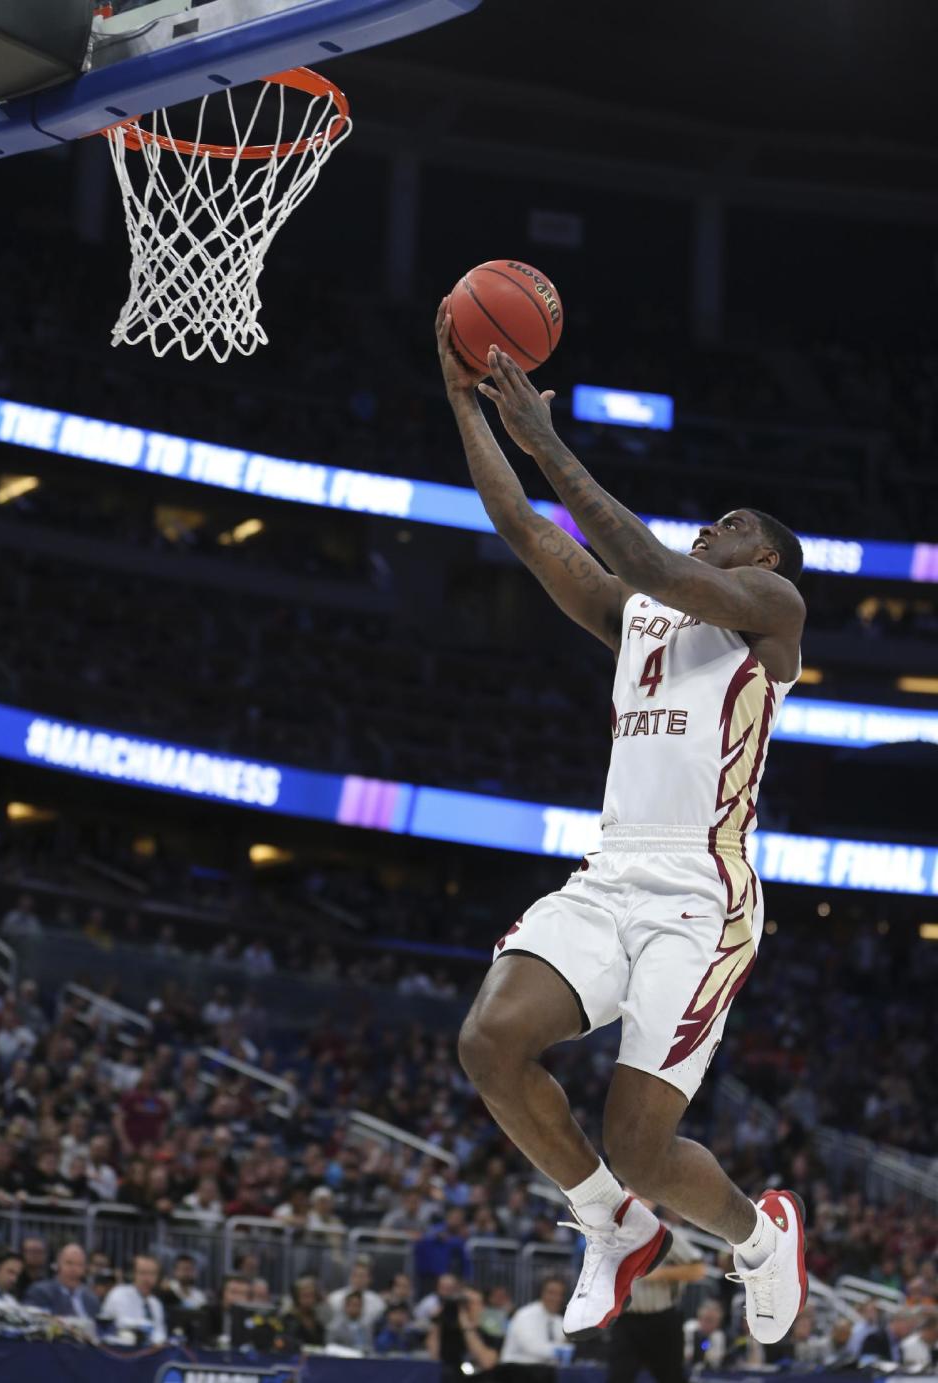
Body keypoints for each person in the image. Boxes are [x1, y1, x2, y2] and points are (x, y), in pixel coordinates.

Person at [436, 302, 808, 1348]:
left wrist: (548, 438)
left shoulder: (771, 621)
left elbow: (650, 562)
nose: (714, 530)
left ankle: (756, 1237)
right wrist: (463, 395)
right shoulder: (641, 617)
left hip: (703, 892)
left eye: (735, 526)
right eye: (713, 523)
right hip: (612, 874)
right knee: (490, 1043)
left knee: (643, 1142)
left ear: (769, 563)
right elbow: (520, 525)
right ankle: (612, 1224)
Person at [608, 1218, 707, 1383]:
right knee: (617, 1378)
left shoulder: (664, 1232)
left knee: (671, 1378)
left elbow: (698, 1270)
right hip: (625, 1319)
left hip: (662, 1320)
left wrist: (660, 1274)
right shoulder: (609, 1233)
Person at [428, 1285, 501, 1381]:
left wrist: (466, 1326)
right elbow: (434, 1356)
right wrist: (437, 1321)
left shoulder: (491, 1330)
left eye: (470, 1302)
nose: (465, 1307)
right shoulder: (450, 1330)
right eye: (463, 1303)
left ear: (482, 1306)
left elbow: (487, 1363)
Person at [100, 1254, 167, 1344]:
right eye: (143, 1273)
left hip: (150, 1353)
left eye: (152, 1273)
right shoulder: (119, 1294)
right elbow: (123, 1327)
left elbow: (160, 1334)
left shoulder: (156, 1303)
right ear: (133, 1274)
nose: (147, 1279)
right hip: (121, 1352)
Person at [24, 1242, 100, 1320]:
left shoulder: (91, 1299)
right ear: (58, 1265)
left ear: (85, 1269)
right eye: (69, 1263)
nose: (74, 1269)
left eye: (79, 1265)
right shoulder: (40, 1292)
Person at [500, 1276, 567, 1364]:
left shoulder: (560, 1321)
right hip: (515, 1371)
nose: (556, 1298)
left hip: (544, 1372)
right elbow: (532, 1347)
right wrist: (562, 1350)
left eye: (560, 1294)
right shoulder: (525, 1315)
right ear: (541, 1293)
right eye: (551, 1293)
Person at [326, 1259, 386, 1329]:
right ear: (350, 1277)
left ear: (370, 1279)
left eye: (362, 1276)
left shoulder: (378, 1302)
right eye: (355, 1275)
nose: (359, 1279)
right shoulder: (335, 1297)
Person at [684, 1298, 728, 1369]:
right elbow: (686, 1355)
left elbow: (716, 1363)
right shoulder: (689, 1329)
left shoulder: (718, 1336)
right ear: (699, 1318)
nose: (709, 1325)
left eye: (714, 1321)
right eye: (707, 1319)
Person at [285, 1275, 326, 1347]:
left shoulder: (318, 1319)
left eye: (311, 1296)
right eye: (305, 1296)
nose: (309, 1300)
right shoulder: (289, 1319)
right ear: (297, 1298)